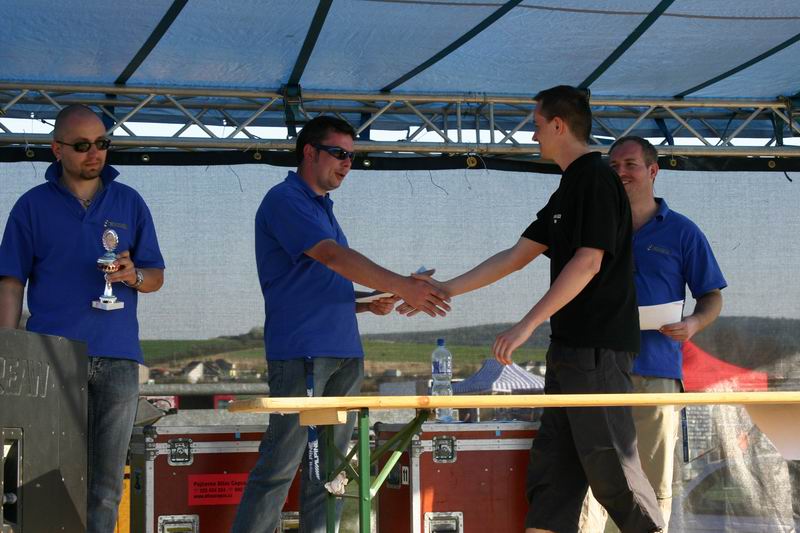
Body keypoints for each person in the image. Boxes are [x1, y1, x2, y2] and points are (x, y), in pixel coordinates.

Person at [403, 86, 663, 533]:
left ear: (559, 125)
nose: (532, 135)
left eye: (537, 125)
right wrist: (445, 288)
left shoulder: (597, 178)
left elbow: (588, 262)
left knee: (611, 467)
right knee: (554, 468)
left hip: (597, 348)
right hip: (568, 349)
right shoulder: (570, 185)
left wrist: (527, 324)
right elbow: (516, 255)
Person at [232, 115, 450, 533]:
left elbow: (316, 284)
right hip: (303, 354)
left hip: (343, 354)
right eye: (338, 153)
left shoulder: (321, 207)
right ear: (309, 152)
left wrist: (368, 303)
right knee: (282, 465)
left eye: (352, 156)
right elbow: (332, 257)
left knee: (329, 474)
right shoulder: (285, 199)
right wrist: (403, 286)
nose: (348, 163)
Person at [0, 104, 165, 532]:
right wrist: (7, 351)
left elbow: (155, 277)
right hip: (51, 357)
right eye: (82, 145)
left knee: (106, 487)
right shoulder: (31, 206)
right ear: (57, 149)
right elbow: (11, 283)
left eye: (102, 143)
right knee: (45, 479)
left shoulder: (129, 201)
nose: (95, 153)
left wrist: (133, 275)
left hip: (119, 356)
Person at [580, 136, 726, 533]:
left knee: (651, 479)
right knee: (594, 479)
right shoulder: (593, 227)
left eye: (630, 164)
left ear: (653, 170)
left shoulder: (683, 231)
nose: (621, 173)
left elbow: (712, 296)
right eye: (613, 167)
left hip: (657, 370)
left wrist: (693, 324)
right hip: (598, 369)